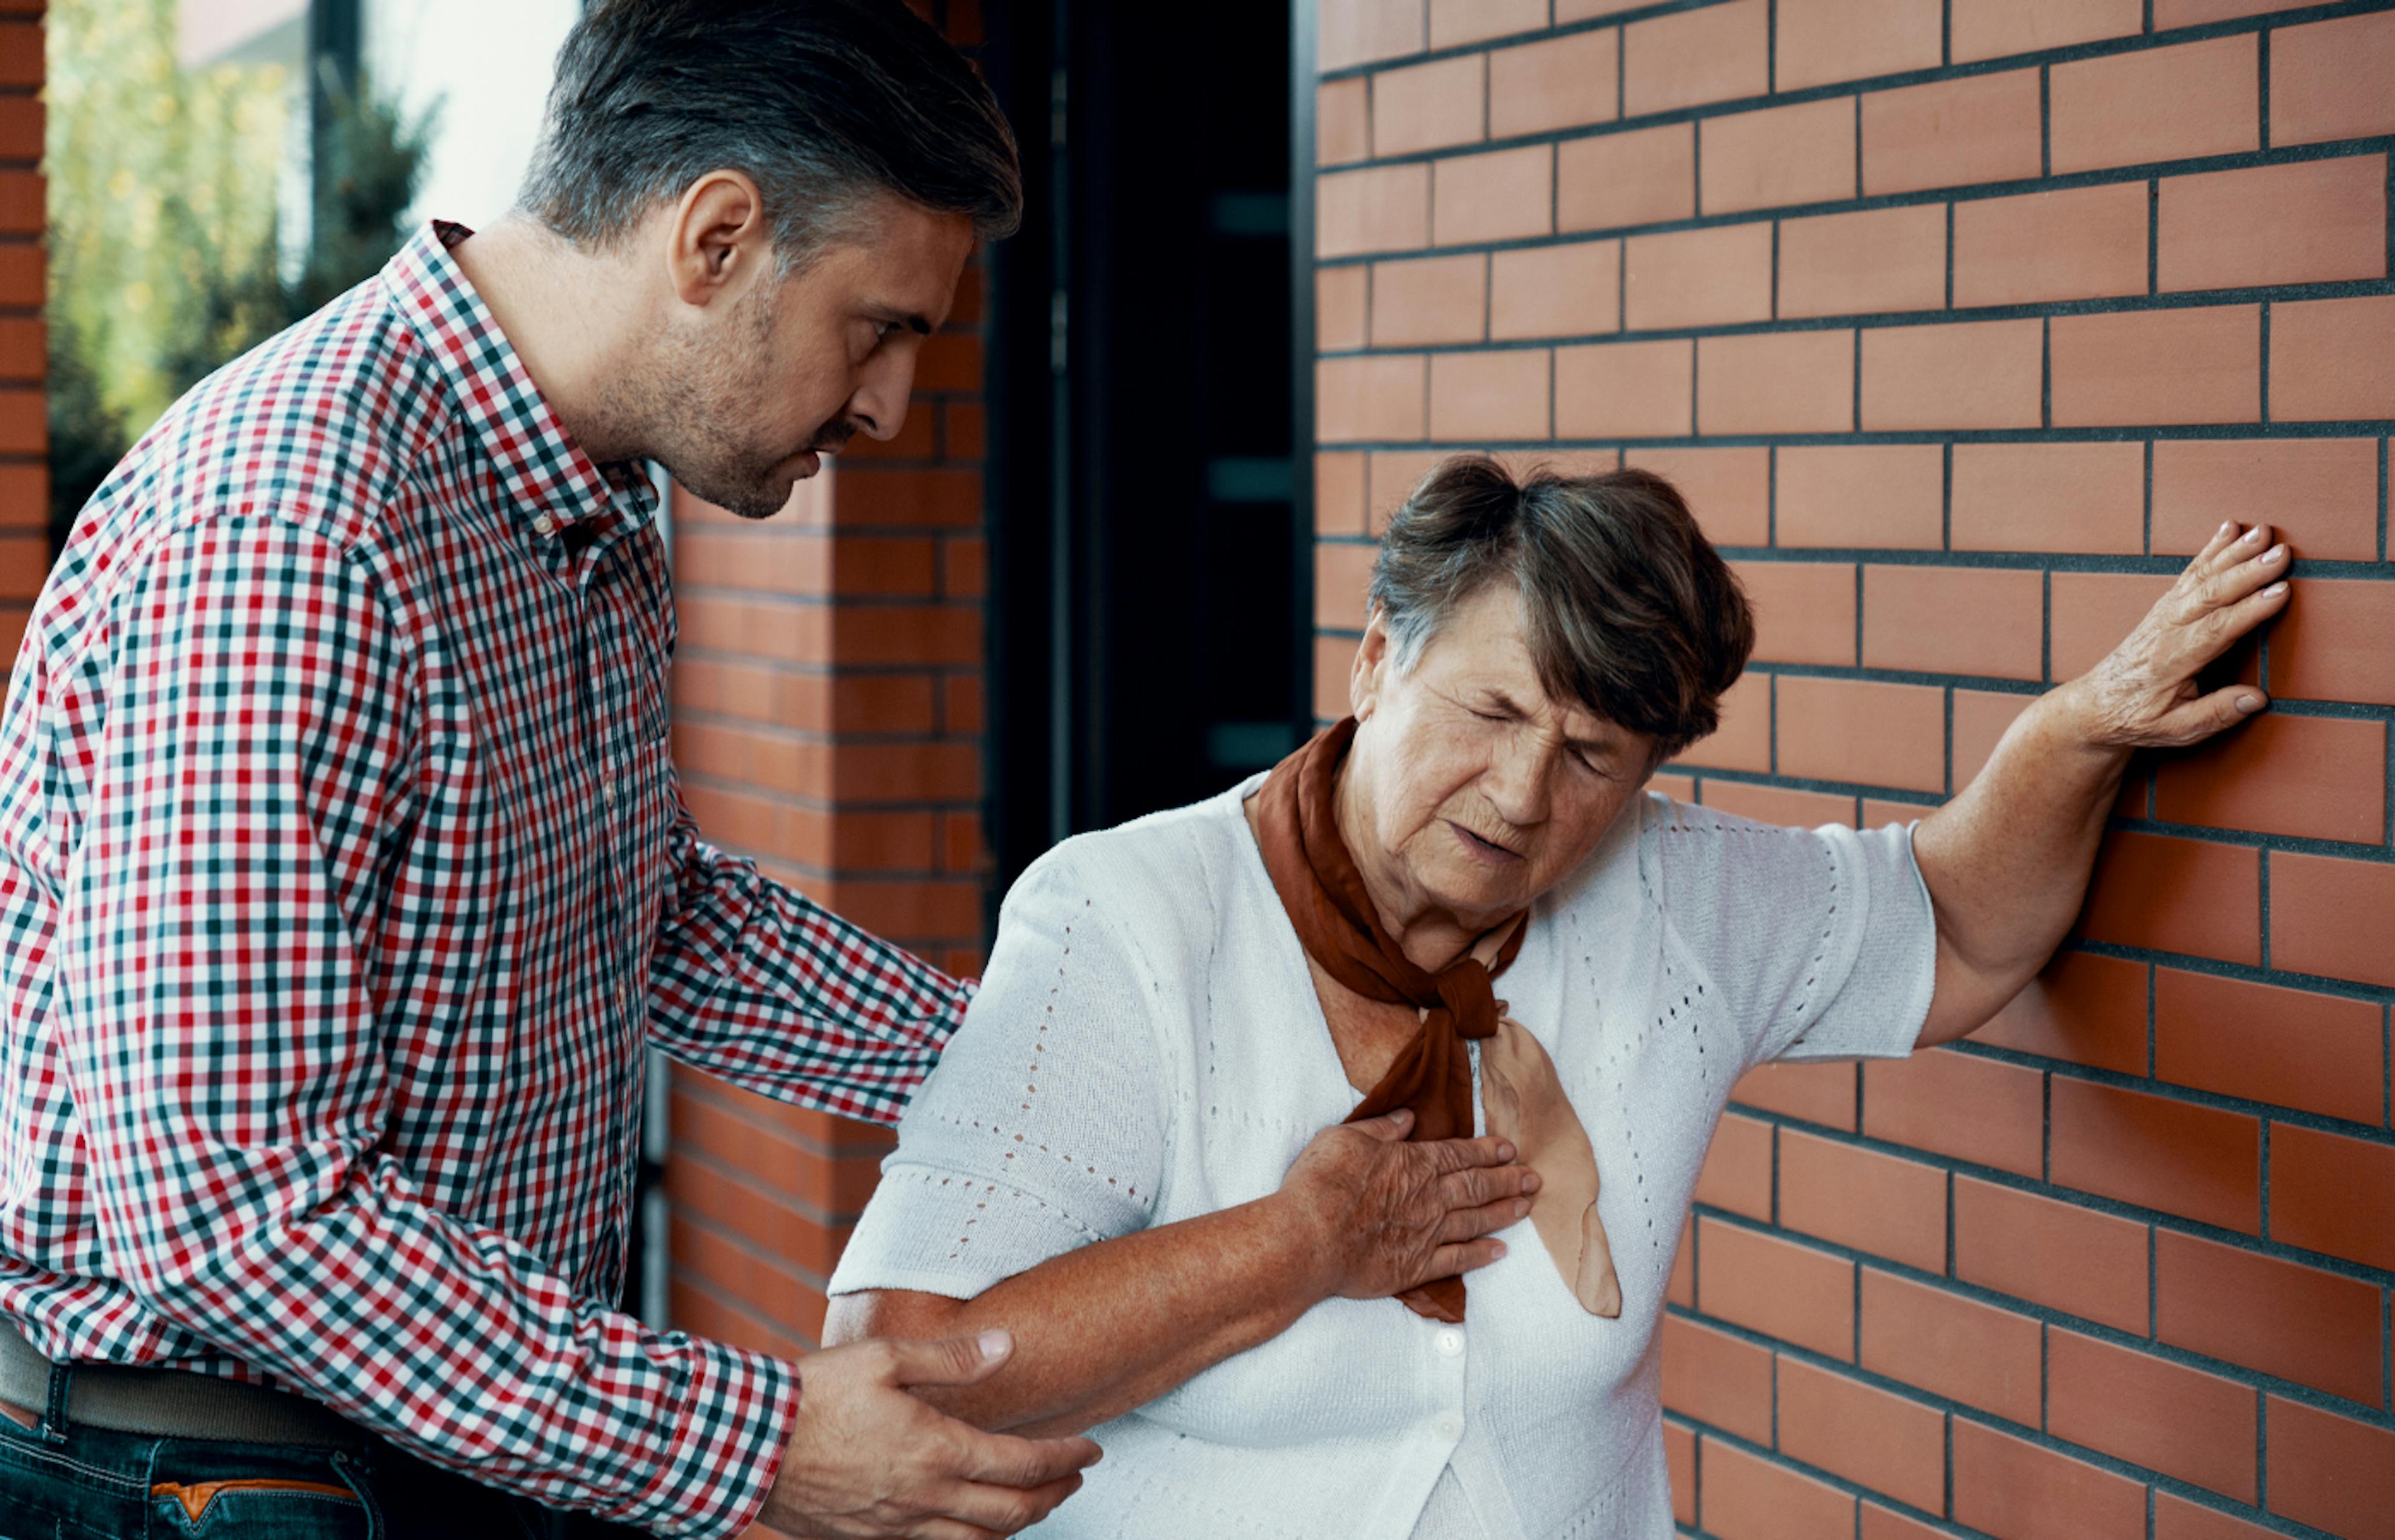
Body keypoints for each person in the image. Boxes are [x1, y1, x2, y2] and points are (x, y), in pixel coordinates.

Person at [0, 4, 1398, 1537]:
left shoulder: (581, 507)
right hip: (206, 1476)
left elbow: (650, 914)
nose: (888, 407)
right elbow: (228, 1201)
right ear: (717, 238)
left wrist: (1092, 1080)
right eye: (879, 327)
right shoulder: (297, 531)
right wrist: (760, 1440)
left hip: (441, 1441)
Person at [824, 455, 2294, 1538]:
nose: (1527, 793)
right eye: (1494, 710)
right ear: (1377, 659)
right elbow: (907, 1366)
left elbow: (1960, 926)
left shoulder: (1672, 895)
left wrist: (2078, 734)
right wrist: (1299, 1241)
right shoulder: (1126, 917)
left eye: (1597, 757)